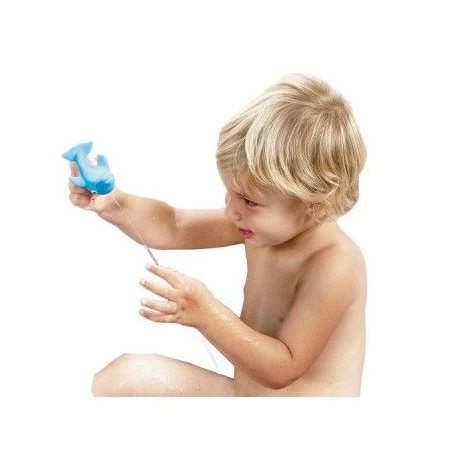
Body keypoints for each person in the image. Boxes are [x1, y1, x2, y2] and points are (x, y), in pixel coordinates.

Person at [67, 73, 367, 396]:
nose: (231, 211)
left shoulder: (335, 265)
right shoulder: (262, 227)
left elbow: (283, 368)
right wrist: (114, 202)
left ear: (314, 204)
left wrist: (207, 314)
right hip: (246, 400)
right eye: (229, 193)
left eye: (249, 200)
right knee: (126, 376)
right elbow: (174, 226)